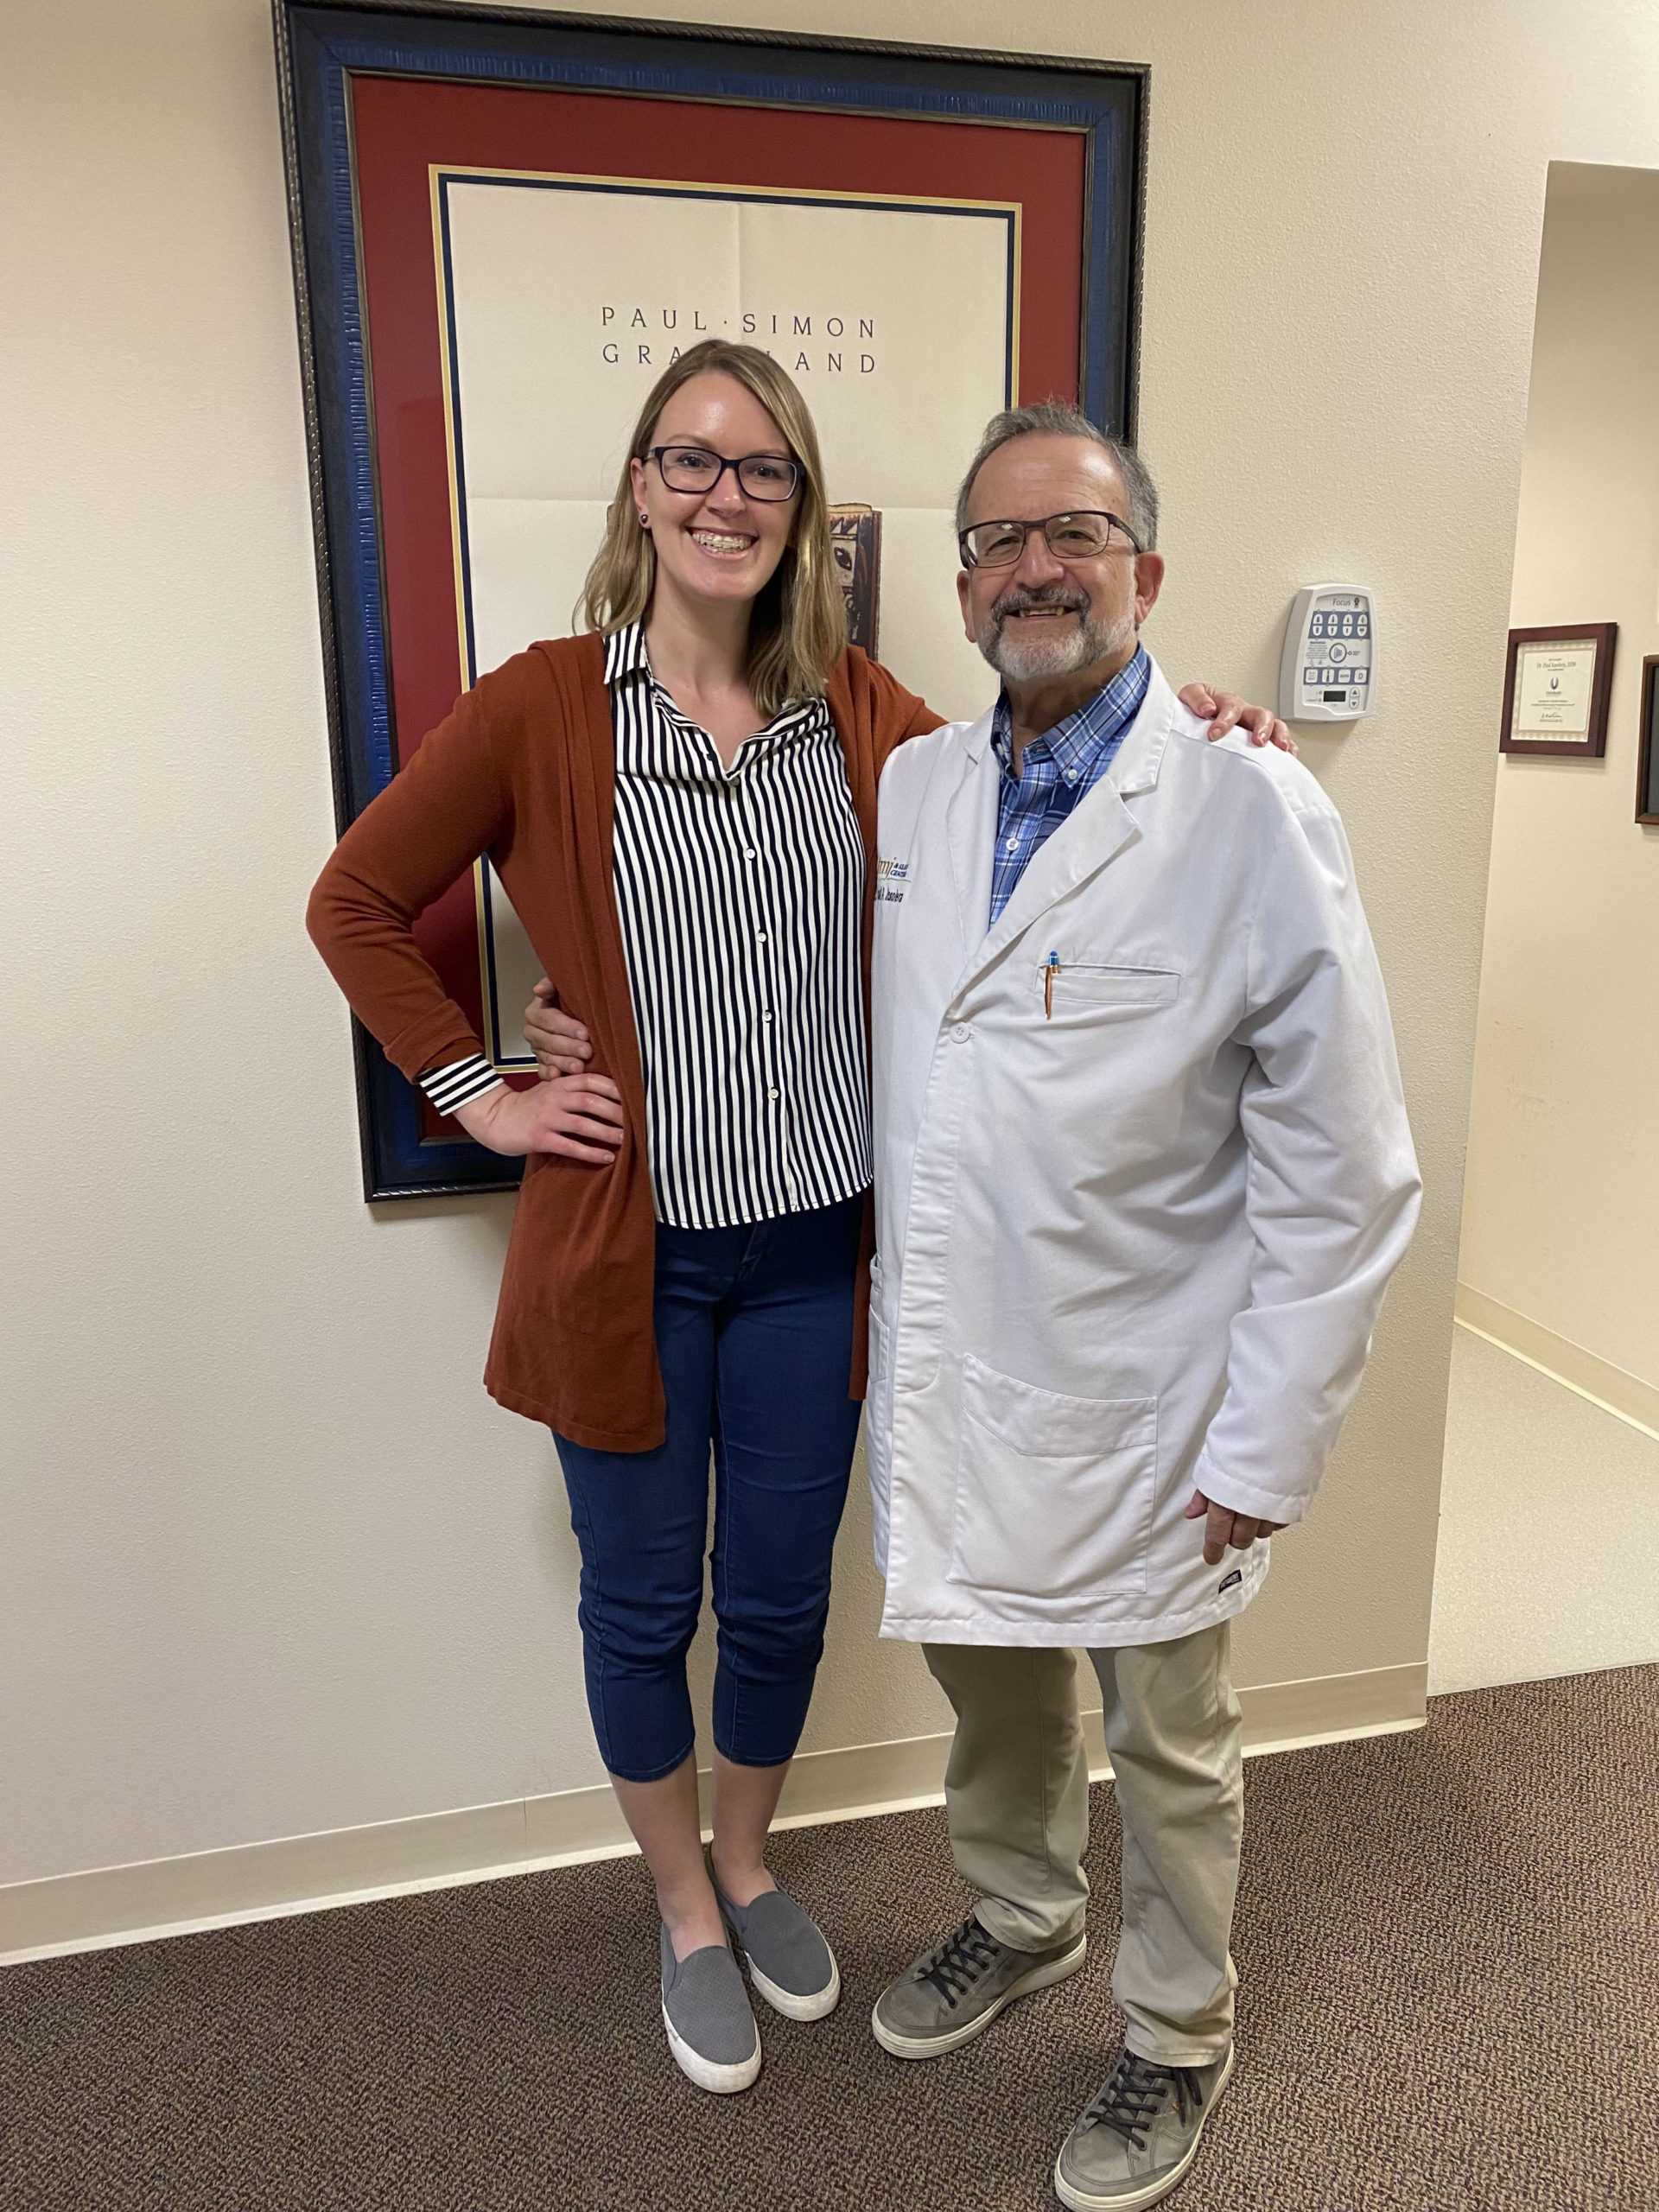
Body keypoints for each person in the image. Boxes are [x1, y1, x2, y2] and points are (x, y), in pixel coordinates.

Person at [309, 340, 1288, 2100]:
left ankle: (751, 1856)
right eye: (689, 460)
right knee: (639, 1602)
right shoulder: (544, 703)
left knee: (773, 1604)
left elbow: (1037, 786)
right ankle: (683, 1901)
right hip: (630, 1260)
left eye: (762, 468)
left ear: (805, 507)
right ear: (639, 489)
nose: (723, 494)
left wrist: (1205, 728)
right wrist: (482, 1086)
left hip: (812, 1265)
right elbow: (359, 896)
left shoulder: (864, 715)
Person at [847, 402, 1420, 2211]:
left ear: (1147, 572)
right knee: (993, 1690)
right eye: (1003, 541)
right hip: (960, 1372)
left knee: (1171, 1738)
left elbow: (1347, 1164)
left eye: (1076, 534)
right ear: (959, 588)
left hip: (1158, 1392)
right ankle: (1021, 1912)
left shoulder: (1246, 799)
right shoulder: (917, 785)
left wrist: (1271, 1433)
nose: (1038, 567)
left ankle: (1178, 2024)